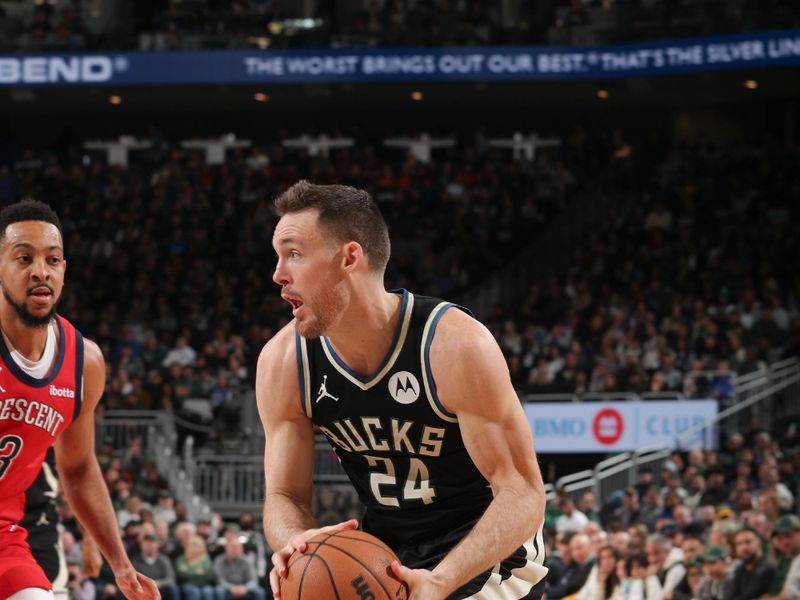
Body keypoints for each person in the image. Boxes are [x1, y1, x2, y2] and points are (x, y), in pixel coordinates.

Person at [256, 181, 548, 599]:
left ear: (349, 257)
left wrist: (441, 581)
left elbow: (522, 492)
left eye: (294, 255)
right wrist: (298, 545)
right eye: (278, 257)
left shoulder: (454, 345)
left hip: (486, 549)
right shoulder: (285, 362)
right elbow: (283, 495)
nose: (278, 274)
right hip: (383, 551)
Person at [0, 199, 159, 599]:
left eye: (52, 260)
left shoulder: (83, 361)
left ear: (63, 271)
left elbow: (78, 468)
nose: (40, 271)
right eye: (24, 258)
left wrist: (120, 563)